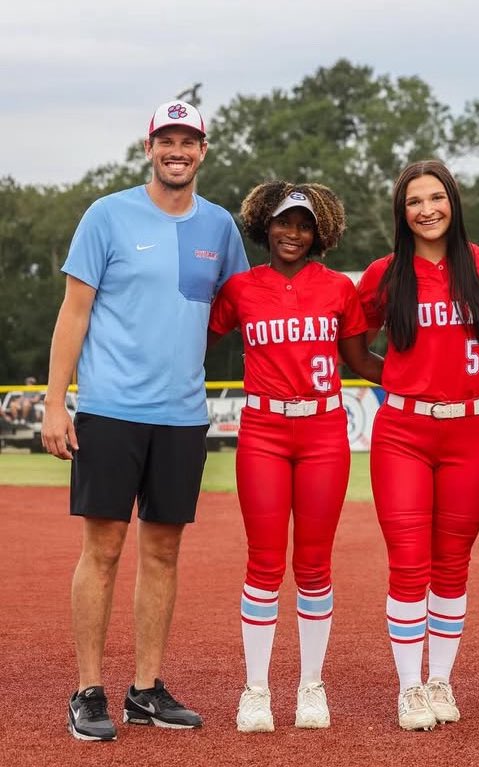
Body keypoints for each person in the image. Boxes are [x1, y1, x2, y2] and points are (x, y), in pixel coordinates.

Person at [42, 100, 249, 741]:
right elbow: (74, 313)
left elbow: (238, 312)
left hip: (182, 417)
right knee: (102, 550)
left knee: (162, 553)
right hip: (109, 411)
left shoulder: (220, 228)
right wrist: (55, 402)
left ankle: (145, 690)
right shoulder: (107, 216)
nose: (177, 151)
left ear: (204, 150)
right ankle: (88, 691)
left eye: (189, 140)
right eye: (167, 140)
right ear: (149, 146)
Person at [208, 182, 383, 732]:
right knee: (262, 563)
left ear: (320, 232)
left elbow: (359, 358)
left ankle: (311, 685)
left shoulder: (337, 288)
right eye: (284, 222)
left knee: (313, 565)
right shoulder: (239, 289)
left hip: (324, 432)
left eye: (305, 224)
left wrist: (424, 379)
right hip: (261, 430)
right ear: (264, 225)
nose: (293, 233)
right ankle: (255, 689)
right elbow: (193, 344)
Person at [356, 160, 479, 731]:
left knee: (453, 564)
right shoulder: (384, 273)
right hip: (403, 431)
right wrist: (400, 376)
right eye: (414, 200)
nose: (427, 209)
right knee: (407, 561)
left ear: (454, 202)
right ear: (402, 211)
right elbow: (355, 345)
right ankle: (409, 687)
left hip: (470, 429)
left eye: (436, 197)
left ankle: (441, 679)